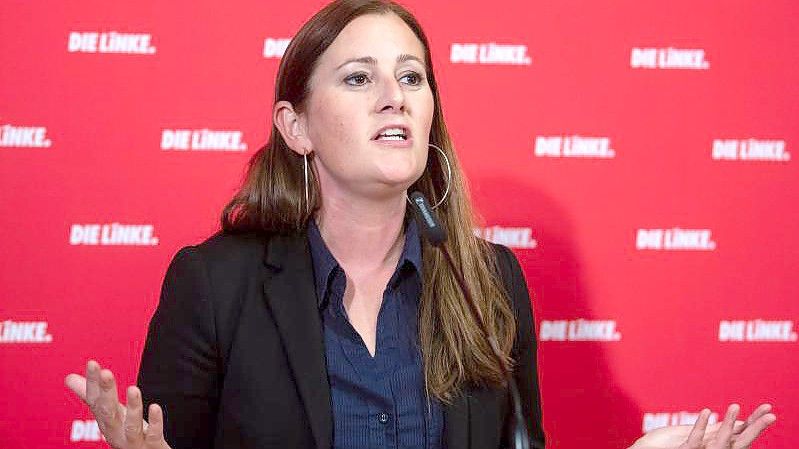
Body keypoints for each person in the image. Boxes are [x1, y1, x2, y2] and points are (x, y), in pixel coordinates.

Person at [65, 1, 777, 448]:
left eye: (411, 77)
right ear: (297, 126)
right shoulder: (215, 281)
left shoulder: (489, 279)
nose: (392, 98)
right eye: (357, 78)